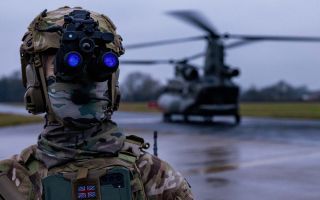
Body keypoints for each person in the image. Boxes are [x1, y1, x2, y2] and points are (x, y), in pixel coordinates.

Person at [0, 6, 193, 200]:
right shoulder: (8, 183)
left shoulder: (155, 178)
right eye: (59, 63)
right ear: (35, 79)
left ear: (112, 81)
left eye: (95, 63)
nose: (83, 80)